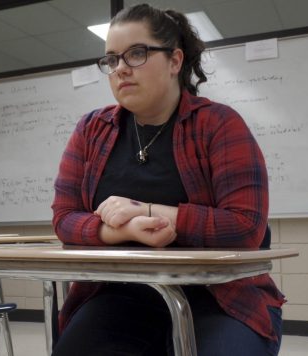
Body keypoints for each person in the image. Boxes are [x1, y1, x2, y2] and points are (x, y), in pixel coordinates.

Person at [51, 4, 284, 356]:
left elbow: (246, 227)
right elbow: (64, 218)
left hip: (218, 296)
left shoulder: (219, 124)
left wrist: (148, 209)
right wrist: (123, 231)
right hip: (119, 293)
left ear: (175, 61)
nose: (121, 69)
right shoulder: (91, 130)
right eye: (112, 60)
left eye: (137, 54)